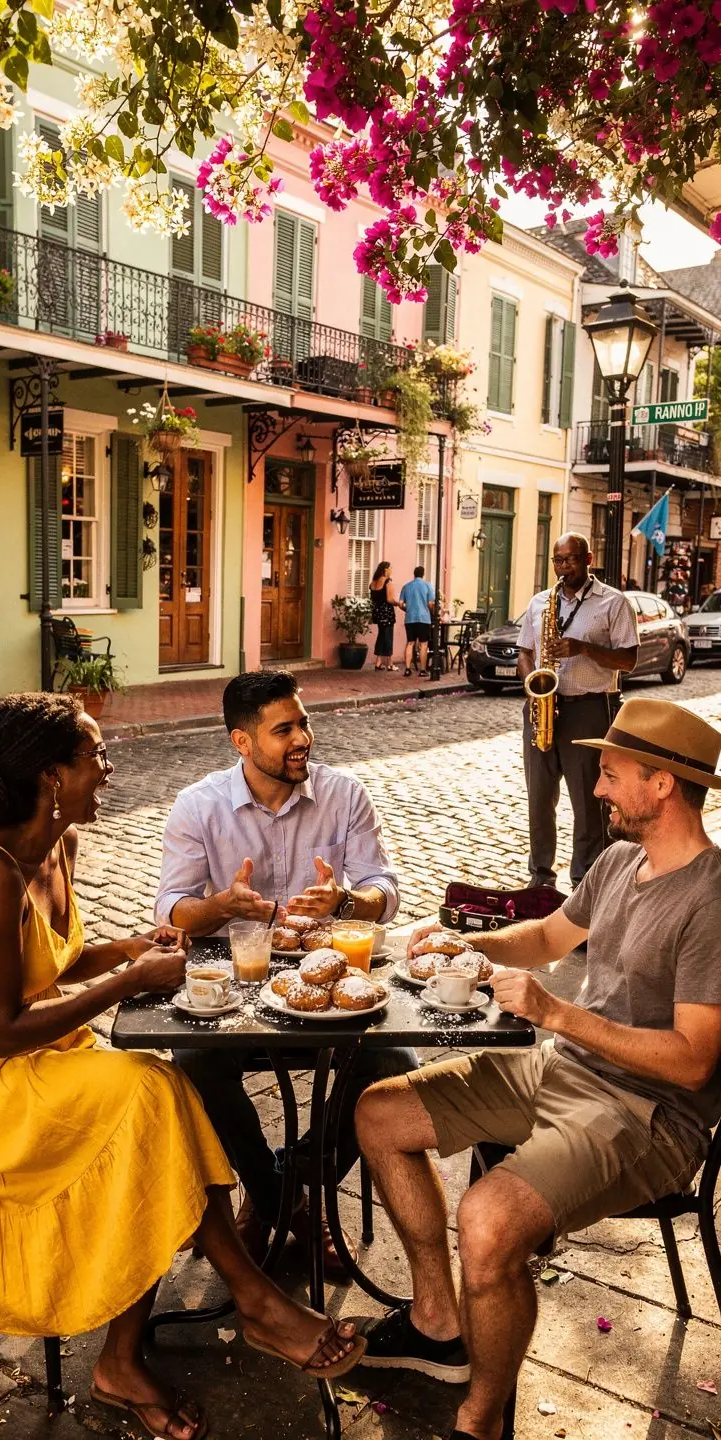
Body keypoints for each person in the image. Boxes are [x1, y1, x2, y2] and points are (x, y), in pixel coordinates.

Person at [0, 694, 365, 1440]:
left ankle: (145, 1349)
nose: (109, 771)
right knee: (148, 1096)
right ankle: (250, 1303)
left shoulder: (57, 846)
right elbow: (1, 1028)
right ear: (53, 778)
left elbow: (45, 967)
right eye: (96, 756)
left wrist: (119, 951)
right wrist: (125, 983)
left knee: (156, 1099)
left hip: (32, 1055)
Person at [354, 697, 721, 1440]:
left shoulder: (711, 899)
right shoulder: (620, 861)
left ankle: (480, 1418)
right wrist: (464, 946)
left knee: (486, 1222)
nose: (594, 789)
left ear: (663, 786)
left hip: (649, 1116)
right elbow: (552, 936)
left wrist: (557, 1015)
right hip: (565, 1070)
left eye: (611, 775)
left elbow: (692, 1063)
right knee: (378, 1112)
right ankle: (437, 1321)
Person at [155, 669, 417, 1278]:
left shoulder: (344, 793)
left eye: (304, 723)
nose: (303, 738)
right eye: (284, 729)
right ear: (241, 742)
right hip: (232, 993)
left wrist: (346, 903)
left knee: (396, 1067)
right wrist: (219, 907)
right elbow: (171, 908)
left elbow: (385, 887)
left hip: (328, 986)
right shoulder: (199, 805)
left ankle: (283, 1187)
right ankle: (293, 1205)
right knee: (193, 1066)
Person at [518, 531, 638, 888]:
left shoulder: (613, 603)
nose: (562, 567)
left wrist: (583, 648)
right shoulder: (541, 602)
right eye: (557, 560)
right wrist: (533, 686)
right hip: (543, 707)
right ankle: (540, 879)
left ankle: (586, 882)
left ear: (588, 560)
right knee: (539, 799)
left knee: (589, 803)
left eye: (569, 559)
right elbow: (525, 651)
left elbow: (629, 660)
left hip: (589, 708)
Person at [399, 565, 435, 677]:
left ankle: (408, 669)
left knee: (410, 643)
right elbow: (430, 603)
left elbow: (400, 604)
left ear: (414, 574)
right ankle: (423, 670)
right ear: (423, 574)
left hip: (410, 618)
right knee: (423, 644)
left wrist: (407, 609)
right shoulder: (427, 585)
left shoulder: (406, 586)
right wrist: (432, 612)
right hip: (424, 618)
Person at [369, 560, 401, 672]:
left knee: (382, 636)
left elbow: (373, 598)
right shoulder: (388, 581)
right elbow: (389, 599)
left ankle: (378, 662)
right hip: (386, 612)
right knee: (388, 637)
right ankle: (390, 664)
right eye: (390, 568)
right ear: (385, 570)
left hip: (377, 612)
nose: (391, 570)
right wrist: (398, 604)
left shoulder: (373, 582)